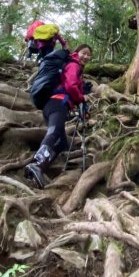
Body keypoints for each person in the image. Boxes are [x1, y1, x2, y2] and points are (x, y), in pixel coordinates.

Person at [24, 44, 93, 189]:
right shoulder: (73, 65)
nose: (86, 56)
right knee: (55, 132)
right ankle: (37, 164)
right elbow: (71, 86)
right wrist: (82, 98)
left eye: (89, 55)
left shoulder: (75, 68)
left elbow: (73, 86)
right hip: (57, 103)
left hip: (53, 105)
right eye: (83, 53)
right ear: (76, 53)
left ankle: (40, 170)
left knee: (61, 142)